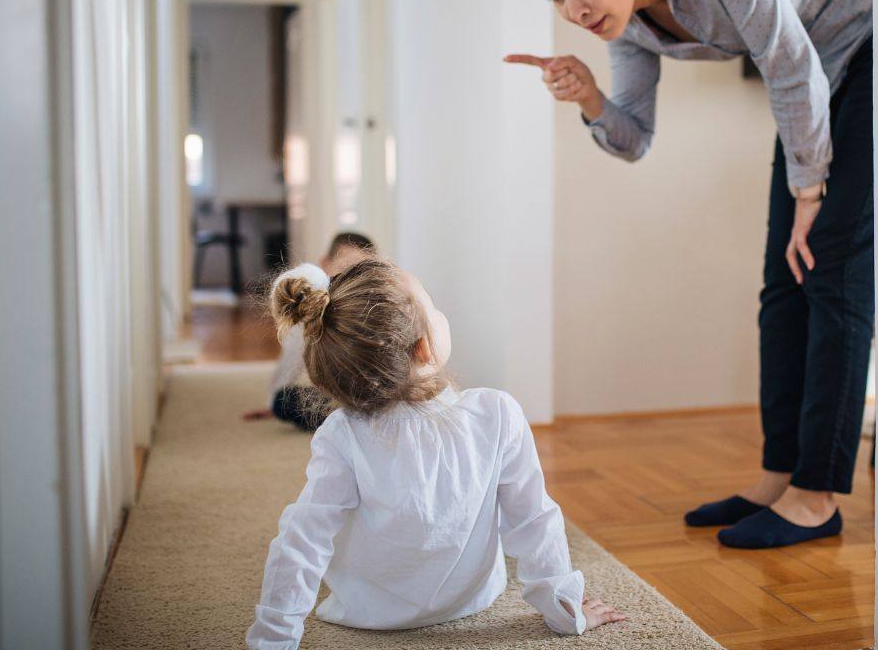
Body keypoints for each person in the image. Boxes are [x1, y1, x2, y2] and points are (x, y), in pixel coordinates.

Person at [507, 0, 873, 549]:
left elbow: (785, 60)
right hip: (821, 67)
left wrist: (810, 196)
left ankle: (816, 497)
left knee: (830, 269)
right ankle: (780, 474)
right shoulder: (632, 22)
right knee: (781, 282)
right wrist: (588, 95)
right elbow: (634, 139)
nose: (573, 8)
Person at [245, 257, 626, 647]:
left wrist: (273, 639)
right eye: (434, 306)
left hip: (371, 614)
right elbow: (533, 520)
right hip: (471, 602)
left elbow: (303, 539)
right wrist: (564, 606)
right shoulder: (497, 413)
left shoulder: (342, 434)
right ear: (425, 348)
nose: (442, 313)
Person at [242, 232, 376, 430]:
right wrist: (271, 402)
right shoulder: (311, 307)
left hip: (374, 390)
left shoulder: (375, 305)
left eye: (360, 271)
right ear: (325, 263)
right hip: (339, 396)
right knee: (284, 401)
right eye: (345, 268)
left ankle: (357, 418)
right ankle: (352, 418)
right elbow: (292, 358)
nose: (350, 277)